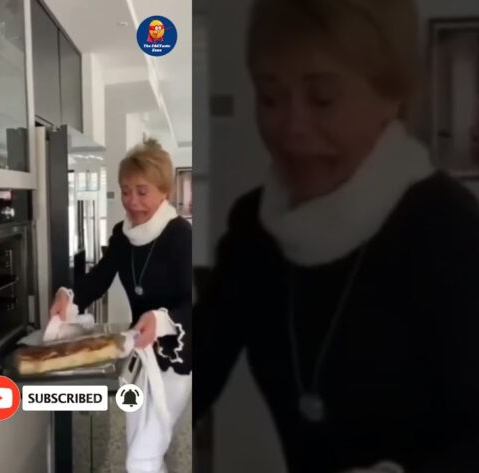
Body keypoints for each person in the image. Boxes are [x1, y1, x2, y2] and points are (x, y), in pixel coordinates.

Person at [195, 0, 479, 472]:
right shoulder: (255, 230)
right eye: (270, 97)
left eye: (322, 98)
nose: (291, 127)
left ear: (391, 97)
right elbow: (193, 370)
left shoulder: (449, 230)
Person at [49, 138, 192, 473]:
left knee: (142, 456)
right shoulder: (122, 235)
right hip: (138, 352)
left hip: (177, 355)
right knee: (139, 446)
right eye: (126, 191)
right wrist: (69, 297)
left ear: (164, 191)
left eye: (142, 191)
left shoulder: (180, 235)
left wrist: (161, 319)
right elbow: (98, 278)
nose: (132, 201)